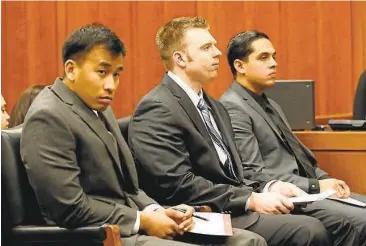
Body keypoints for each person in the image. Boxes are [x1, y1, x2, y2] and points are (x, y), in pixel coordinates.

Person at [20, 23, 266, 246]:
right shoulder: (48, 116)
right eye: (102, 72)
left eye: (116, 74)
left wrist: (156, 210)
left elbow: (128, 188)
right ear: (71, 69)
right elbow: (69, 208)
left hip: (128, 222)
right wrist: (142, 219)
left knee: (247, 241)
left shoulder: (98, 108)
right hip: (93, 234)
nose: (111, 85)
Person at [128, 16, 361, 246]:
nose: (218, 53)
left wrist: (271, 186)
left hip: (234, 203)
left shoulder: (213, 106)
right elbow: (179, 185)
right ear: (180, 58)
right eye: (207, 47)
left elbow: (237, 171)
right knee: (308, 230)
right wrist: (249, 199)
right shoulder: (158, 108)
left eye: (215, 46)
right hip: (201, 213)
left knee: (340, 222)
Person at [220, 30, 366, 243]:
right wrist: (317, 186)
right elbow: (254, 172)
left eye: (273, 56)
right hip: (285, 196)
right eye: (263, 57)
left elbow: (300, 159)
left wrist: (326, 180)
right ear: (239, 66)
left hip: (307, 190)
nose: (273, 64)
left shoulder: (272, 104)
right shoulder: (233, 107)